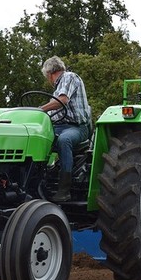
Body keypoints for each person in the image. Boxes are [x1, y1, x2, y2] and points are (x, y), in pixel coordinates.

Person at [40, 56, 92, 202]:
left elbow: (62, 101)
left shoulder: (69, 77)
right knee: (39, 137)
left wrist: (40, 109)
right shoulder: (58, 87)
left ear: (50, 74)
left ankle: (64, 190)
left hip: (77, 128)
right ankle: (41, 178)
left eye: (47, 78)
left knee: (64, 140)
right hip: (59, 126)